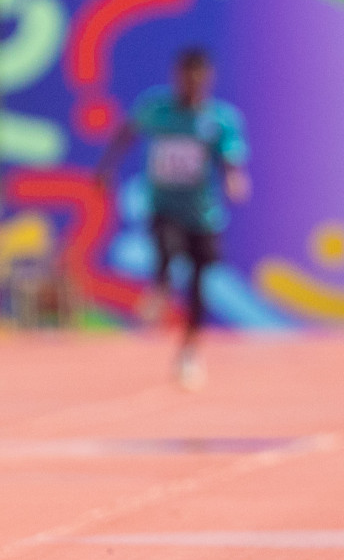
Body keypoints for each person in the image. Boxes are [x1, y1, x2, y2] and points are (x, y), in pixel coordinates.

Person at [97, 46, 250, 388]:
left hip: (202, 214)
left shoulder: (219, 119)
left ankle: (189, 350)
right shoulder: (157, 109)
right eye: (185, 77)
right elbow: (126, 133)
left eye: (198, 78)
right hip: (164, 205)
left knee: (199, 282)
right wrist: (106, 168)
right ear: (177, 77)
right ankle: (161, 285)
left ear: (208, 79)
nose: (191, 85)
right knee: (166, 245)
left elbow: (231, 159)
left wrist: (234, 179)